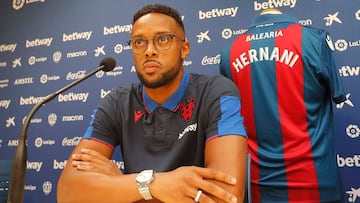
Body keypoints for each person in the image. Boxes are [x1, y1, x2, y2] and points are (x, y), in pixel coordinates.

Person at [57, 4, 248, 203]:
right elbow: (68, 192)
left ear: (184, 49)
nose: (149, 51)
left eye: (163, 39)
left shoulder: (216, 92)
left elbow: (225, 197)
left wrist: (121, 185)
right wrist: (152, 184)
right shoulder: (116, 102)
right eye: (139, 42)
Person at [220, 8, 346, 203]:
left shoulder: (229, 51)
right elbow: (338, 95)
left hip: (257, 185)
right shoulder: (315, 40)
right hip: (315, 183)